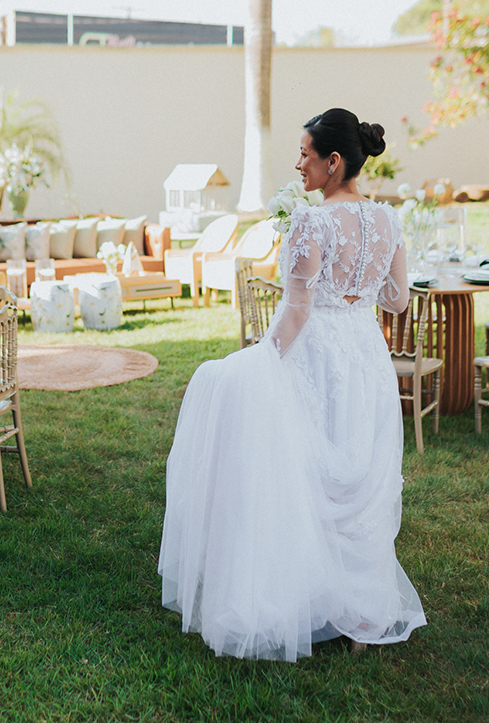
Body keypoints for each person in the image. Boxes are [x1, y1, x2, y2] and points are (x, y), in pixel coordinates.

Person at [157, 108, 426, 661]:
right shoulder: (390, 220)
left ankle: (308, 600)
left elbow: (298, 311)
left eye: (305, 153)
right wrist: (364, 283)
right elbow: (398, 302)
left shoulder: (313, 223)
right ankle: (361, 614)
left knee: (307, 472)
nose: (297, 163)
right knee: (361, 471)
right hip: (366, 357)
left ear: (332, 162)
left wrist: (257, 360)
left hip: (318, 357)